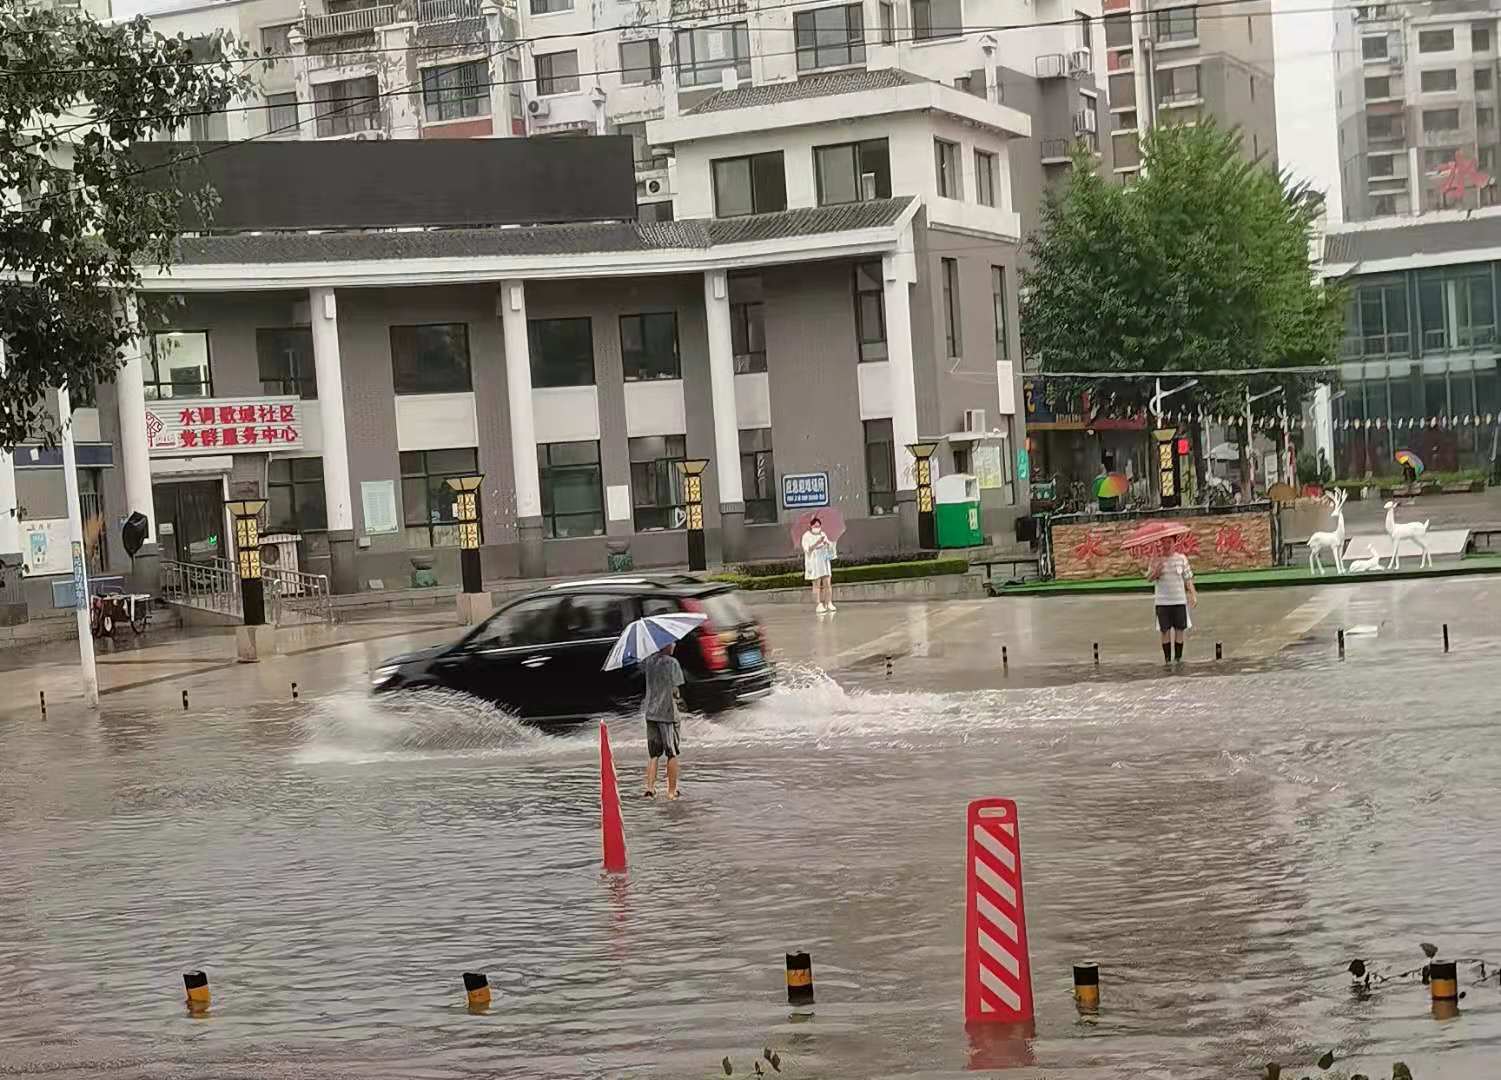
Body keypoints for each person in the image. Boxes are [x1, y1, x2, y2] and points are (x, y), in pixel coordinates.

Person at [641, 642, 685, 800]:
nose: (674, 645)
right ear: (665, 645)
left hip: (651, 713)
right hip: (667, 714)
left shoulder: (649, 662)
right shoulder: (672, 663)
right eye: (672, 642)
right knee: (671, 753)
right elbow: (676, 690)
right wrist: (677, 695)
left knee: (654, 754)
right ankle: (672, 791)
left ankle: (650, 788)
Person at [1146, 541, 1197, 664]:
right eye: (1164, 541)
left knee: (1180, 630)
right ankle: (1167, 660)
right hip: (1162, 602)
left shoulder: (1181, 559)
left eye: (1169, 541)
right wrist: (1157, 570)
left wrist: (1193, 594)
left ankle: (1178, 659)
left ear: (1174, 543)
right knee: (1165, 631)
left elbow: (1188, 578)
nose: (1166, 544)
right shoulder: (1156, 559)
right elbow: (1149, 578)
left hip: (1179, 600)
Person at [802, 517, 837, 614]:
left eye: (819, 526)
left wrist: (827, 543)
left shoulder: (823, 534)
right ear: (811, 526)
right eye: (815, 526)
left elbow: (830, 547)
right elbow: (807, 549)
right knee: (816, 585)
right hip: (814, 562)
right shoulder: (806, 536)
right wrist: (817, 543)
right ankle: (818, 604)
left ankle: (829, 602)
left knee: (827, 583)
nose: (817, 528)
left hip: (824, 560)